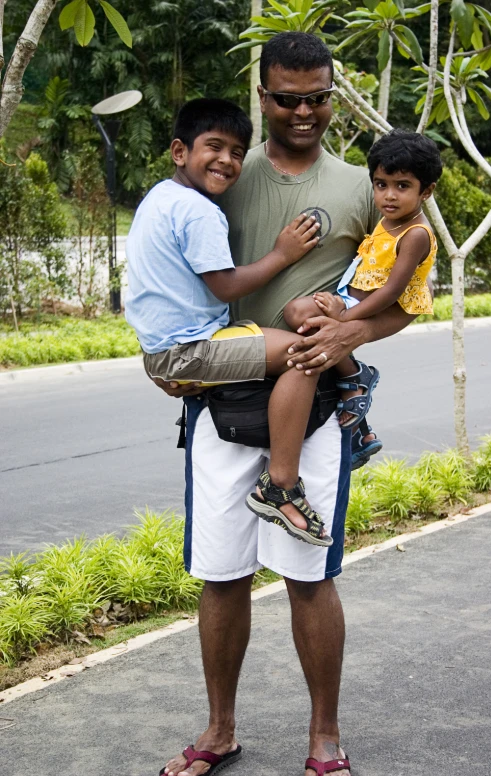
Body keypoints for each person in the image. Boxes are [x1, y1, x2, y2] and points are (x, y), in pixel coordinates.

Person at [153, 32, 424, 776]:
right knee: (221, 572)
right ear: (262, 96)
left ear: (332, 97)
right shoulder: (222, 175)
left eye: (318, 98)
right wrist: (162, 357)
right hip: (218, 399)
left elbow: (403, 299)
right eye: (287, 98)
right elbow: (168, 272)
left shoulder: (368, 187)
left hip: (313, 407)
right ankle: (219, 727)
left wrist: (351, 331)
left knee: (308, 575)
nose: (304, 112)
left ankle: (326, 736)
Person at [126, 97, 375, 548]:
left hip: (172, 349)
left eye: (237, 152)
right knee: (306, 350)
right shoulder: (197, 209)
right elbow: (224, 286)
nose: (226, 160)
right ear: (179, 151)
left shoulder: (159, 198)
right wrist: (284, 254)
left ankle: (352, 403)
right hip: (190, 351)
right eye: (214, 147)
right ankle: (280, 484)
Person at [284, 129, 443, 418]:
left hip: (367, 306)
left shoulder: (415, 234)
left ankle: (352, 378)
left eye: (402, 186)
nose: (389, 196)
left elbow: (392, 291)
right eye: (381, 184)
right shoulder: (390, 217)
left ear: (426, 191)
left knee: (305, 321)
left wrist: (344, 317)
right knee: (296, 311)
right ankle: (356, 373)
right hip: (351, 295)